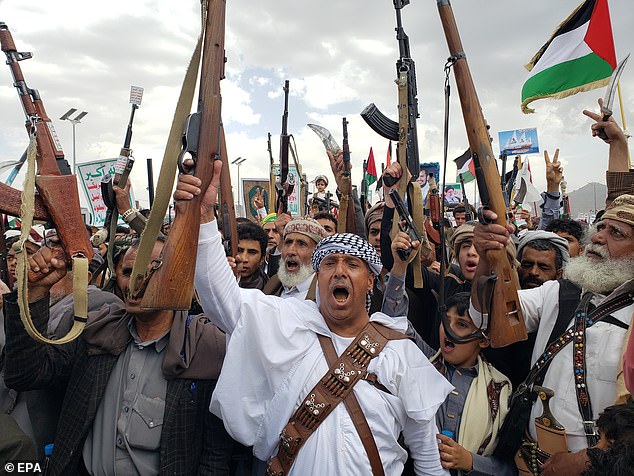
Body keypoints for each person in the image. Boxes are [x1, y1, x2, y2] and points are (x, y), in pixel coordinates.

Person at [177, 163, 454, 475]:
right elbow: (222, 301)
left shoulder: (398, 352)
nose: (339, 271)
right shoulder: (288, 321)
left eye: (352, 264)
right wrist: (202, 220)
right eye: (330, 263)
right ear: (317, 277)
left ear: (370, 282)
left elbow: (429, 459)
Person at [2, 237, 233, 475]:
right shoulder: (96, 334)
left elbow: (215, 457)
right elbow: (25, 374)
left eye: (150, 270)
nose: (135, 281)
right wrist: (34, 293)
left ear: (177, 275)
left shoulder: (203, 348)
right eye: (128, 271)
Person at [470, 194, 634, 475]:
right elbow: (484, 318)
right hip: (531, 462)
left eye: (616, 233)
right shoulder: (559, 292)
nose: (597, 238)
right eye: (601, 228)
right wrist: (487, 261)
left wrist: (588, 459)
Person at [404, 290, 514, 475]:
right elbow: (396, 321)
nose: (449, 329)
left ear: (483, 340)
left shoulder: (500, 391)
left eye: (461, 324)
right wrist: (400, 269)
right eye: (446, 321)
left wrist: (469, 460)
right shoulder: (425, 363)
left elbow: (509, 469)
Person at [262, 216, 327, 299]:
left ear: (317, 252)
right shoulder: (273, 284)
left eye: (301, 244)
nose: (291, 251)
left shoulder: (324, 294)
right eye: (288, 243)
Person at [236, 221, 269, 290]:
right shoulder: (216, 283)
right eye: (239, 250)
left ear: (262, 259)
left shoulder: (271, 289)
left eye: (252, 252)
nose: (244, 258)